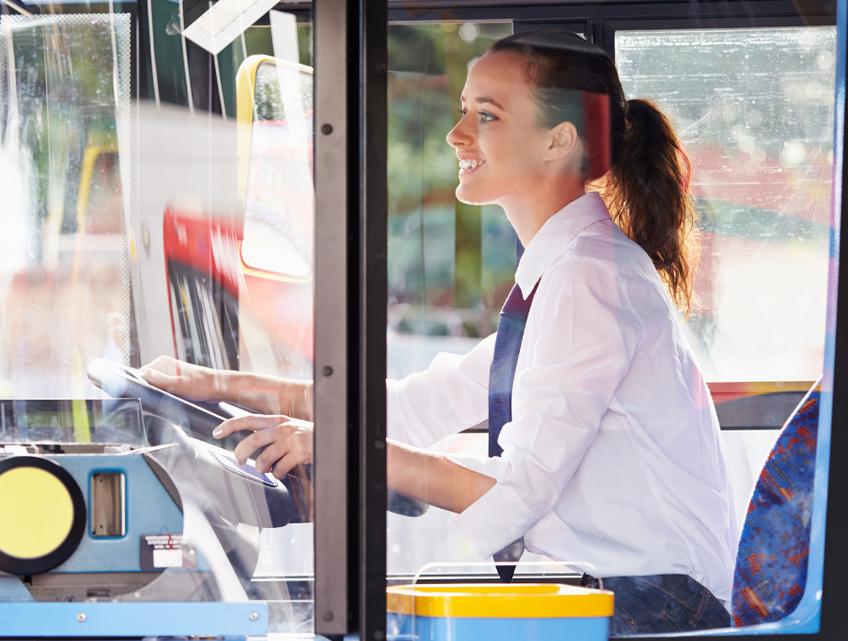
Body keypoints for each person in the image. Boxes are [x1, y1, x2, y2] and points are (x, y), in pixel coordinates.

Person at [143, 30, 737, 636]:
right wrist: (213, 383)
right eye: (462, 111)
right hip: (611, 592)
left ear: (559, 139)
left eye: (486, 115)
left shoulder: (590, 276)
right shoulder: (565, 270)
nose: (456, 135)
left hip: (655, 608)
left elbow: (522, 485)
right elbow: (409, 408)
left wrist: (336, 448)